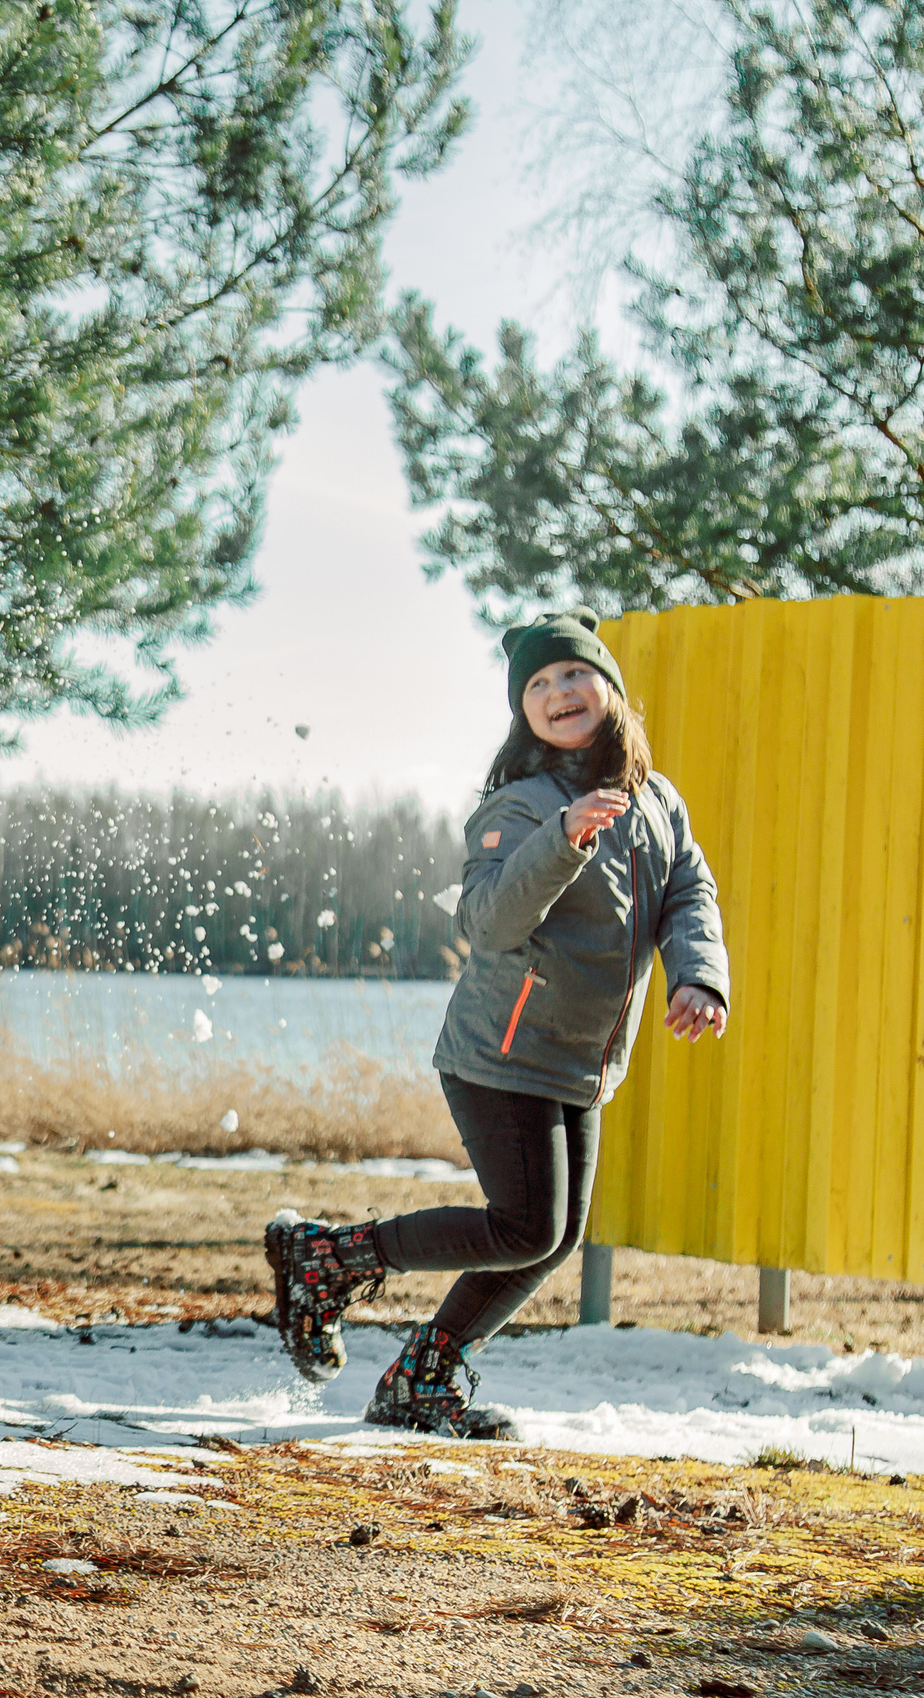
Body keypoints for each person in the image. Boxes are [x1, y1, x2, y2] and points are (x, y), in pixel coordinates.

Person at [266, 608, 729, 1439]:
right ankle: (329, 1259)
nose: (559, 693)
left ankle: (420, 1373)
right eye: (539, 684)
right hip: (500, 1052)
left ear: (611, 688)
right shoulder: (518, 808)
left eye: (574, 674)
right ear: (524, 712)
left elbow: (689, 894)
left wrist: (699, 975)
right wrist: (562, 839)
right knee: (525, 1225)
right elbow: (488, 921)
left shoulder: (659, 802)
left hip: (580, 1061)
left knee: (549, 1238)